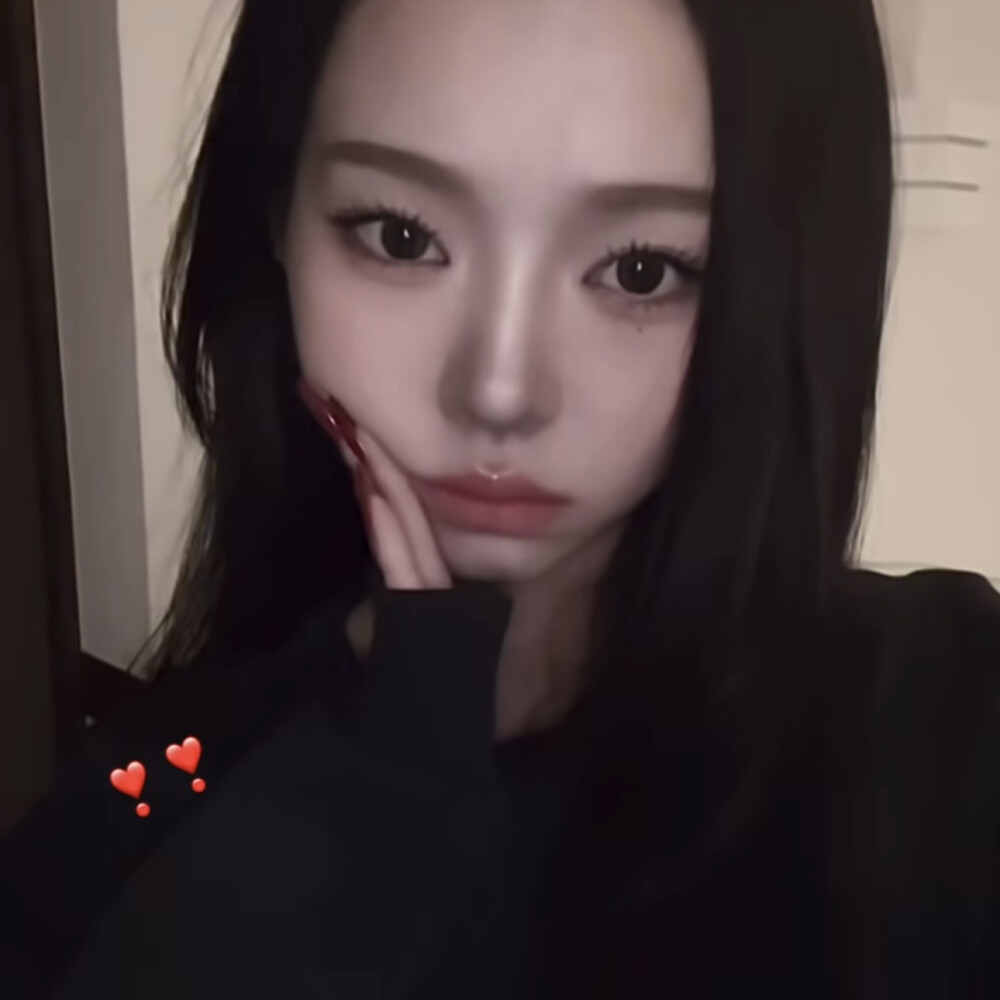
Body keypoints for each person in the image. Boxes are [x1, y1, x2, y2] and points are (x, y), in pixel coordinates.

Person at [2, 0, 1000, 995]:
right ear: (276, 226)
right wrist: (391, 774)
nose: (499, 389)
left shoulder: (940, 721)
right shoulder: (156, 785)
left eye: (640, 269)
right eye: (401, 237)